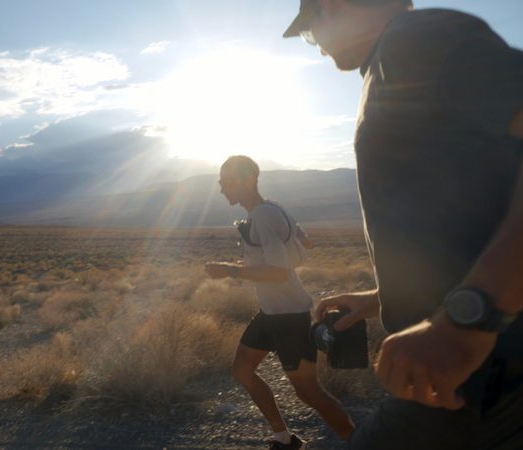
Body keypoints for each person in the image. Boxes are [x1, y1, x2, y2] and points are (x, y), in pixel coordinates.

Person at [283, 0, 523, 448]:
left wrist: (472, 317)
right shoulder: (397, 64)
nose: (317, 48)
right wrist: (382, 297)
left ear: (331, 6)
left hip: (483, 374)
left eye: (310, 32)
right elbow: (470, 214)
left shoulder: (415, 38)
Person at [206, 155, 354, 450]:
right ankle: (284, 439)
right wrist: (257, 262)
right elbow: (304, 244)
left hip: (290, 316)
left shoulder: (263, 215)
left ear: (248, 179)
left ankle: (360, 441)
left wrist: (230, 270)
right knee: (242, 370)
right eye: (220, 182)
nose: (221, 189)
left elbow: (278, 271)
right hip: (271, 313)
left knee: (308, 392)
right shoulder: (272, 209)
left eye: (226, 182)